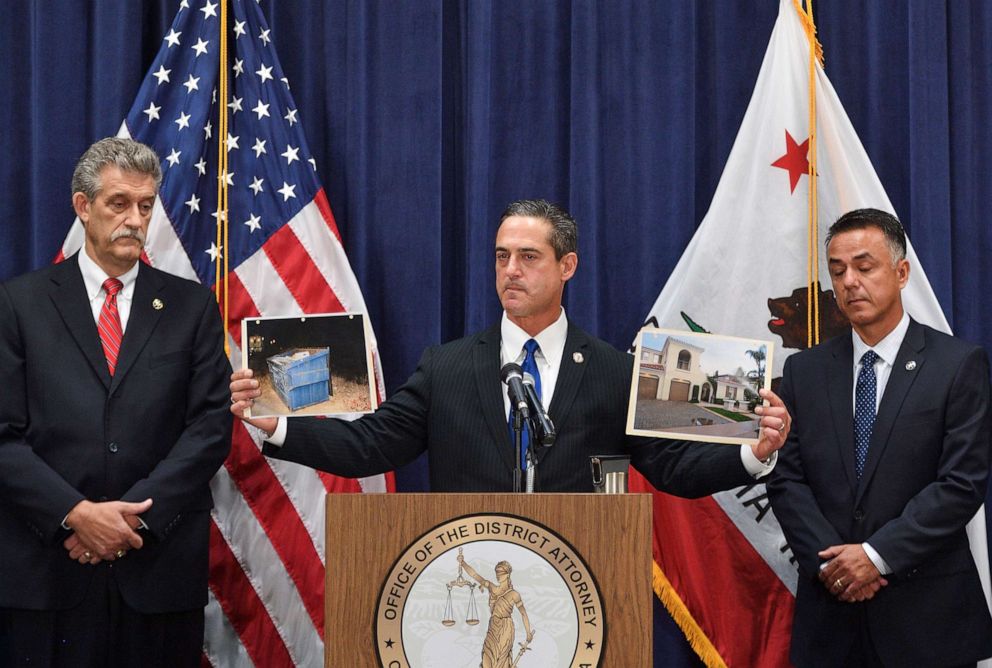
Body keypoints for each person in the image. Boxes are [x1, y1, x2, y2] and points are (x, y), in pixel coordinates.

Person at [231, 199, 788, 494]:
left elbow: (674, 471)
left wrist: (753, 453)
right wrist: (276, 423)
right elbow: (371, 447)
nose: (511, 270)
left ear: (567, 266)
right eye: (502, 256)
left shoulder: (616, 371)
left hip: (580, 582)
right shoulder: (445, 366)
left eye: (529, 257)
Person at [0, 138, 233, 667]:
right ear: (83, 207)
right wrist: (75, 514)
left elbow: (209, 429)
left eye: (146, 206)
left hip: (157, 569)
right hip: (47, 569)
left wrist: (129, 526)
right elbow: (4, 435)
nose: (135, 219)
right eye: (119, 204)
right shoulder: (18, 304)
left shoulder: (191, 306)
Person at [767, 208, 992, 667]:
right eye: (837, 271)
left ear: (901, 271)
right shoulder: (802, 371)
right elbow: (785, 478)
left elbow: (961, 483)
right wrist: (835, 566)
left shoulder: (958, 365)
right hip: (832, 622)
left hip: (928, 621)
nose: (850, 281)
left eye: (864, 267)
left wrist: (876, 555)